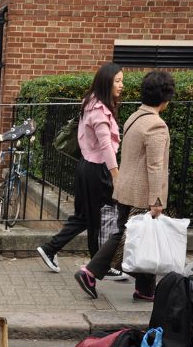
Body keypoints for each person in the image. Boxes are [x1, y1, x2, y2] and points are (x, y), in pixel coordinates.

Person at [75, 70, 175, 301]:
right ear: (166, 98)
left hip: (125, 188)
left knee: (133, 235)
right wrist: (157, 199)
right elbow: (155, 166)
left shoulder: (135, 117)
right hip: (142, 192)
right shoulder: (156, 125)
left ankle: (144, 289)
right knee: (130, 235)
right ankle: (90, 272)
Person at [36, 63, 129, 281]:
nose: (121, 85)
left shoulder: (91, 103)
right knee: (99, 217)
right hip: (98, 170)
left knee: (85, 217)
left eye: (122, 80)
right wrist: (115, 174)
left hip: (87, 167)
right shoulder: (99, 110)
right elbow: (105, 145)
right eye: (118, 81)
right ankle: (98, 266)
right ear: (106, 82)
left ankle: (52, 249)